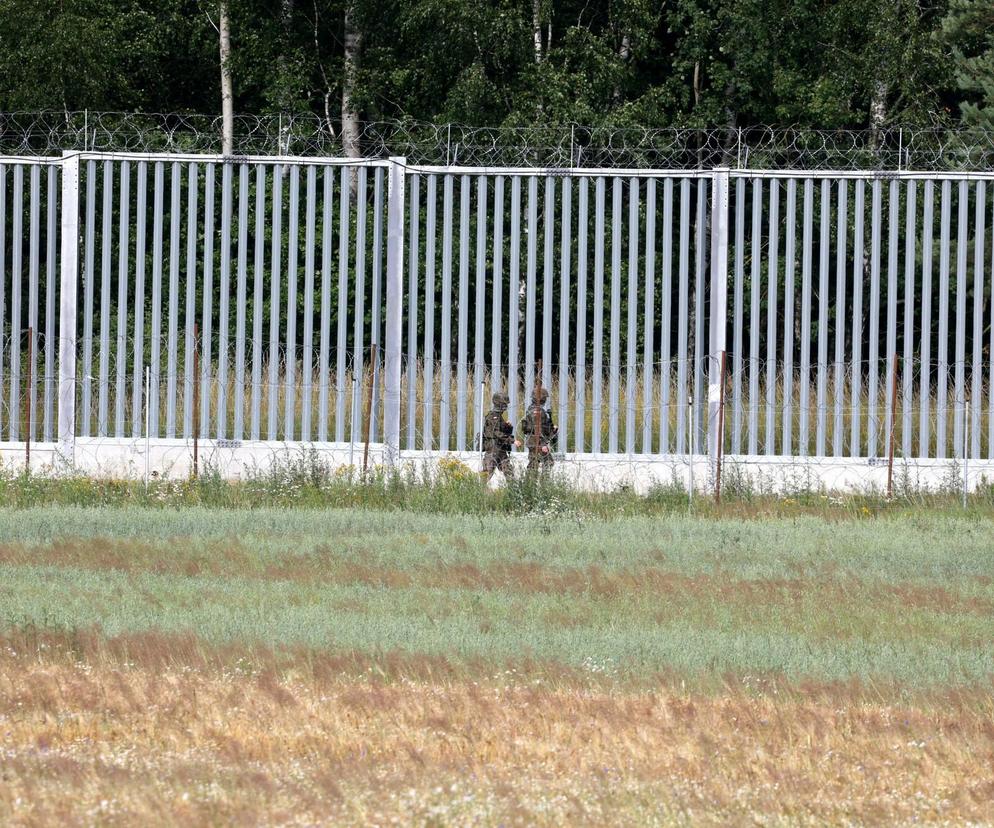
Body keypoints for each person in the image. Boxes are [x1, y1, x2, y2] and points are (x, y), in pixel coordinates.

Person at [520, 387, 558, 474]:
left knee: (534, 464)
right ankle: (541, 484)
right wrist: (543, 444)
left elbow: (543, 428)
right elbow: (538, 429)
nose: (545, 400)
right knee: (545, 463)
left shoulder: (531, 409)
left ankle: (532, 484)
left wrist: (552, 430)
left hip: (534, 441)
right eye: (544, 397)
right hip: (537, 442)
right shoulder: (538, 411)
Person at [481, 392, 516, 481]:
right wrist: (512, 441)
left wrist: (507, 427)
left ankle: (514, 492)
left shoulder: (498, 416)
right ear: (498, 403)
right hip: (493, 448)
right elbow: (496, 432)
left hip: (500, 448)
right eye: (503, 404)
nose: (505, 406)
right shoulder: (493, 416)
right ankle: (479, 492)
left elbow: (500, 431)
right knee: (487, 472)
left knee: (508, 472)